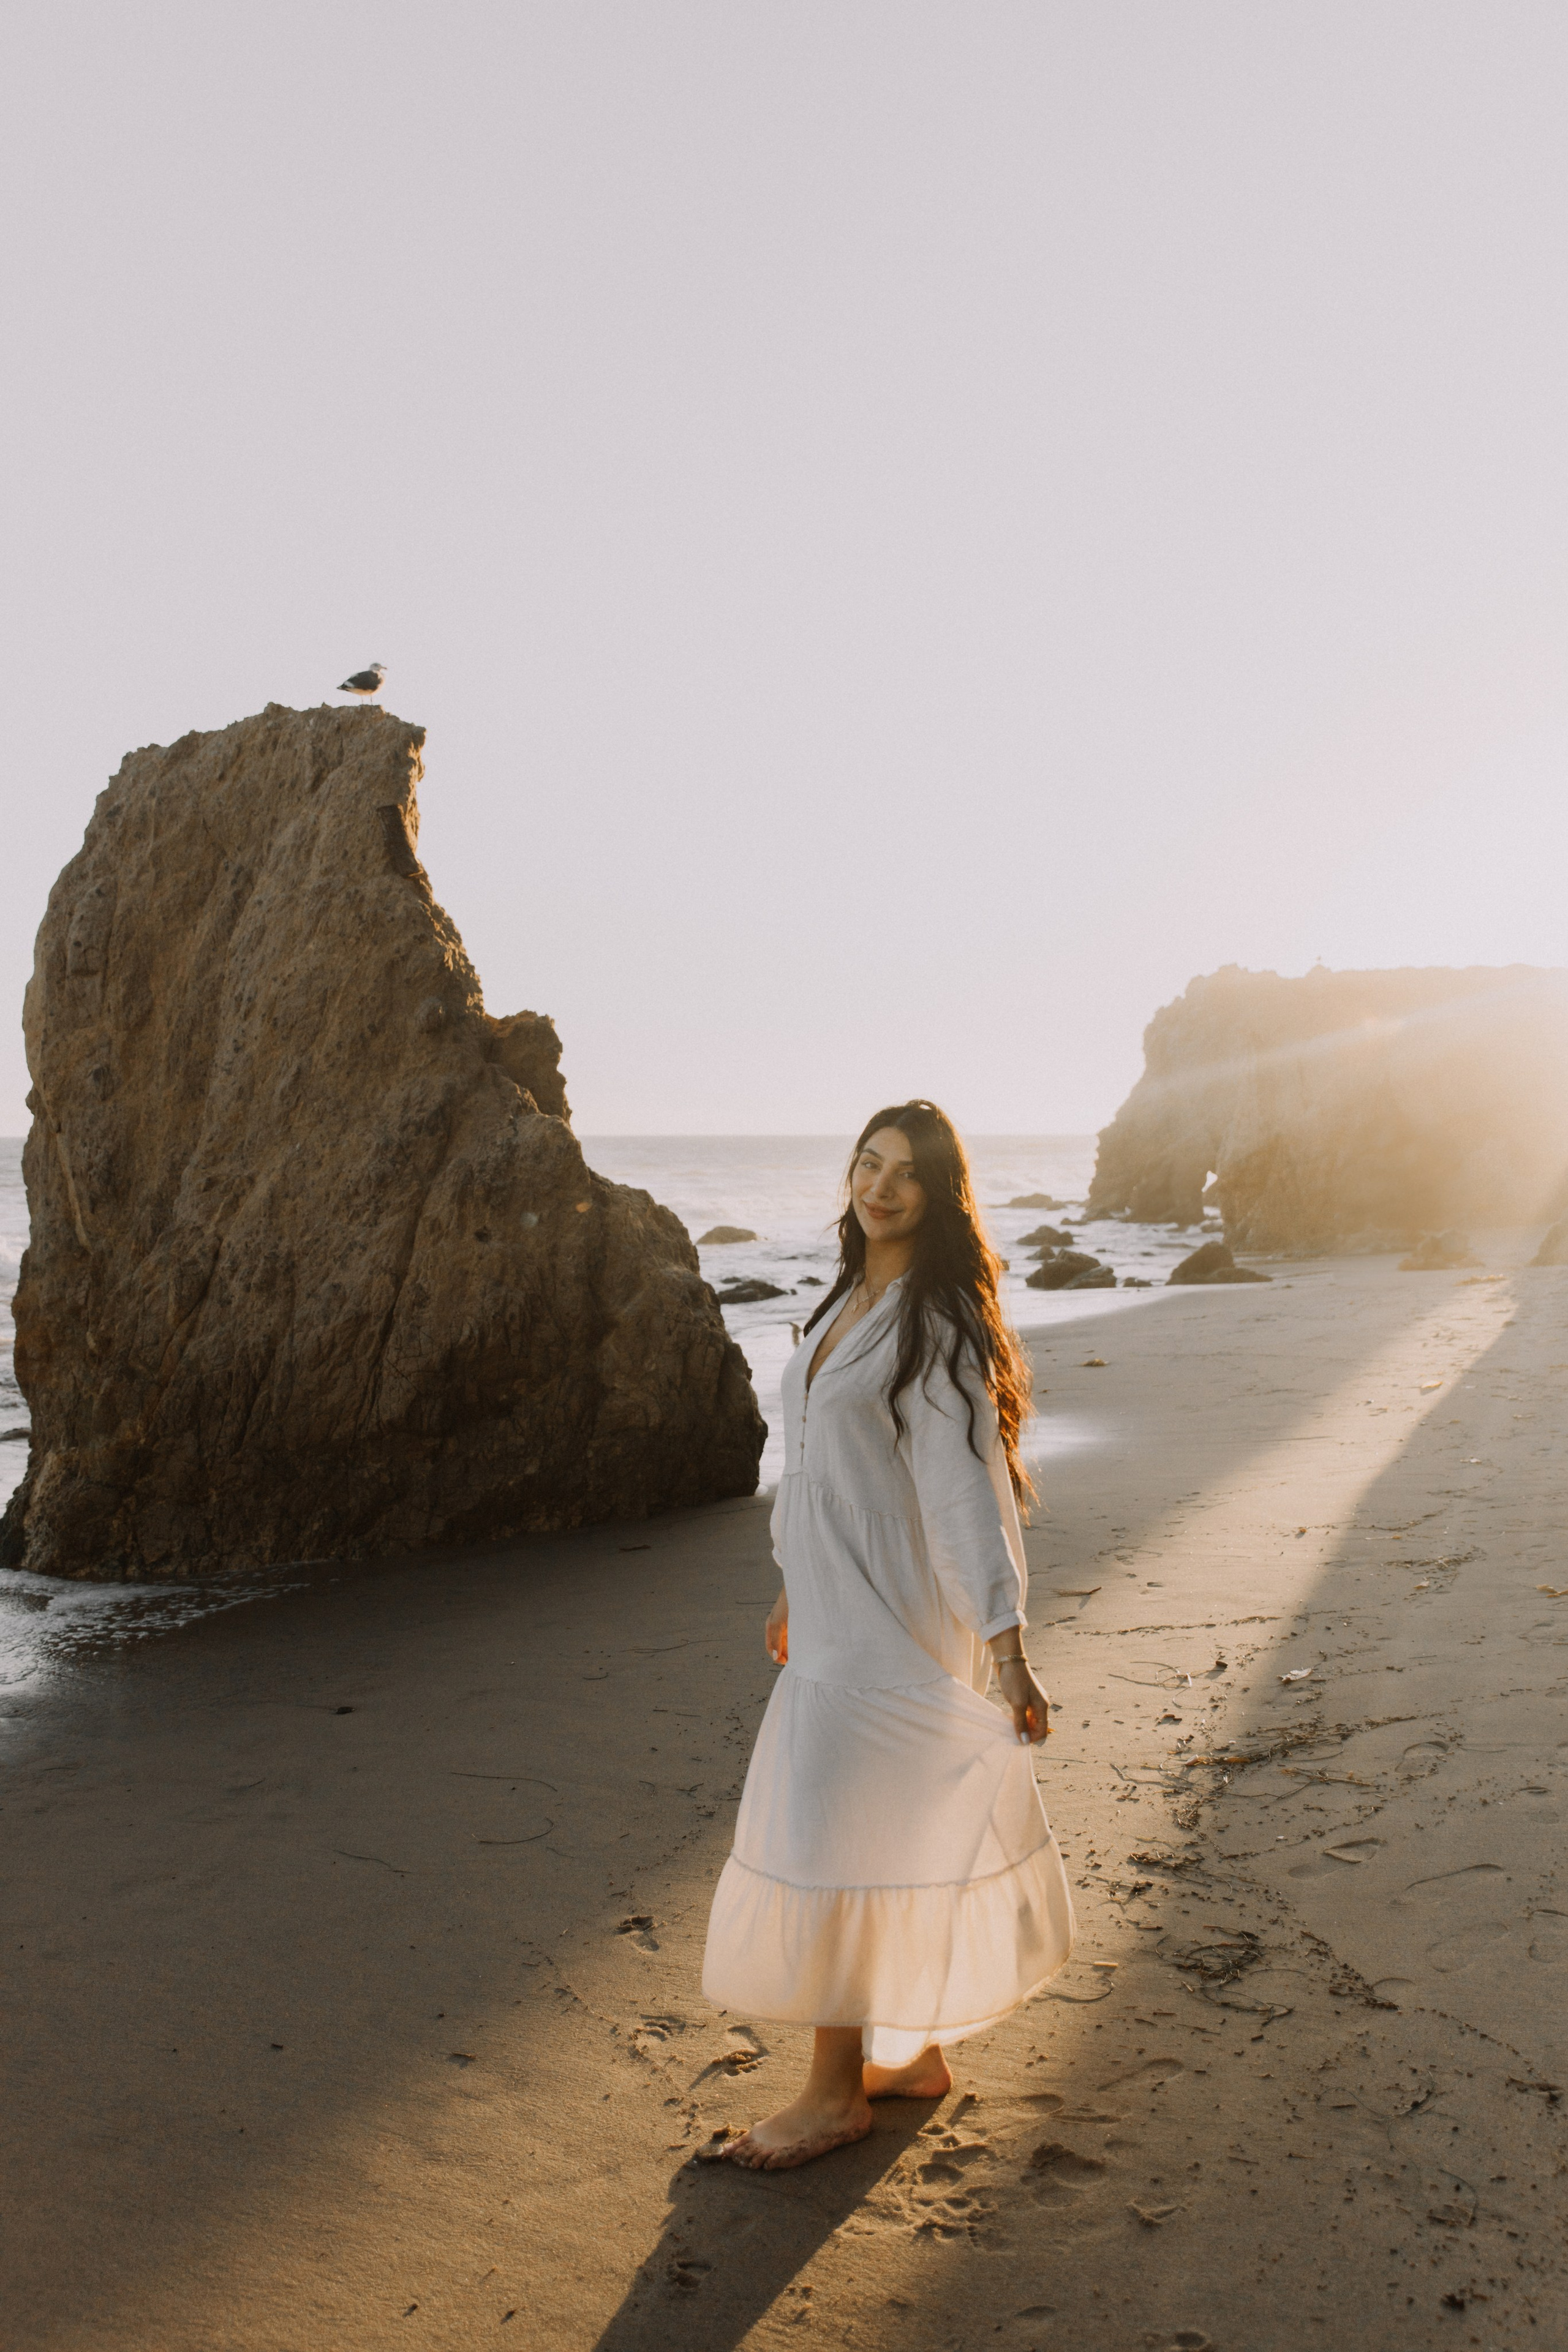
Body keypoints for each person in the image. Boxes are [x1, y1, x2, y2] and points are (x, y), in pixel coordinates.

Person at [699, 1101, 1074, 2171]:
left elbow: (964, 1493)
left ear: (939, 1194)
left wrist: (1007, 1649)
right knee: (868, 1823)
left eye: (907, 1172)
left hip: (891, 1614)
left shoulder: (935, 1318)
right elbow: (812, 1461)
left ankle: (832, 2095)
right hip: (829, 1610)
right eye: (869, 1163)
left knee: (835, 1833)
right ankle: (906, 2058)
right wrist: (788, 1584)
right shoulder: (841, 1304)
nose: (880, 1186)